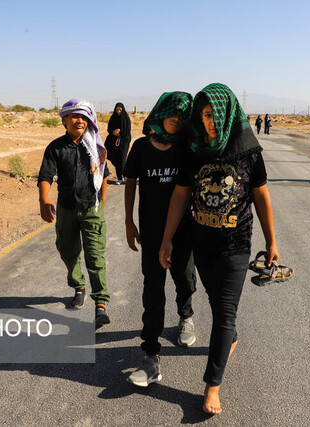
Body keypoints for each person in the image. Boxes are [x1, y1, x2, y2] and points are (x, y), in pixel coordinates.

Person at [159, 83, 279, 415]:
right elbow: (181, 195)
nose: (210, 121)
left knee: (224, 314)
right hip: (202, 243)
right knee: (216, 305)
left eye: (215, 115)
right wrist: (168, 238)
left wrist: (271, 241)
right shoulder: (193, 149)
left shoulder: (247, 151)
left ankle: (212, 386)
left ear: (228, 114)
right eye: (205, 115)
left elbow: (261, 197)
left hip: (236, 245)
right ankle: (230, 338)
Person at [124, 92, 198, 387]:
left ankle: (186, 316)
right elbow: (130, 184)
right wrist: (129, 221)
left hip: (183, 231)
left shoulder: (187, 150)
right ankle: (151, 354)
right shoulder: (141, 147)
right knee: (152, 288)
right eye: (172, 113)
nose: (177, 119)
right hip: (151, 233)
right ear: (160, 112)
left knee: (184, 278)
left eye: (183, 116)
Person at [38, 98, 111, 328]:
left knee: (95, 256)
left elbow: (104, 174)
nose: (79, 120)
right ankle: (78, 285)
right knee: (67, 250)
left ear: (88, 120)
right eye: (74, 116)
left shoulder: (95, 146)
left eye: (83, 117)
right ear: (65, 121)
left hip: (92, 208)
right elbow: (46, 176)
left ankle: (100, 303)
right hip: (66, 209)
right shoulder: (56, 147)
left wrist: (103, 201)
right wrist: (44, 199)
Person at [105, 102, 131, 184]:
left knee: (122, 158)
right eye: (117, 110)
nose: (119, 111)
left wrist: (120, 132)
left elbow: (127, 130)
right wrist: (114, 132)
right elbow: (109, 129)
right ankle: (119, 178)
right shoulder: (113, 118)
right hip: (114, 141)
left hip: (124, 141)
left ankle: (126, 176)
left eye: (120, 110)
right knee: (116, 159)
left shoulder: (126, 118)